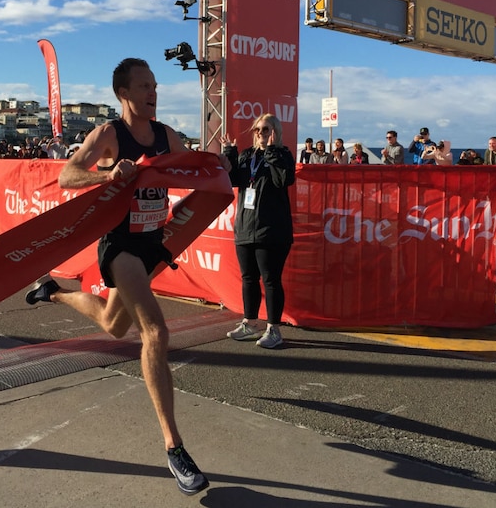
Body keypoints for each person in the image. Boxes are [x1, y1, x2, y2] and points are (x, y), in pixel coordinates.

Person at [23, 58, 218, 495]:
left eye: (155, 85)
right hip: (120, 246)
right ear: (123, 93)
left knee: (114, 326)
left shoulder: (167, 135)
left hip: (153, 243)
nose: (154, 92)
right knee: (156, 333)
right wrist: (107, 174)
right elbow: (67, 174)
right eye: (145, 86)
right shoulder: (110, 134)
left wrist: (222, 170)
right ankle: (174, 447)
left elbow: (198, 167)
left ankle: (52, 292)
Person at [221, 114, 295, 349]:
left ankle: (273, 329)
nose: (260, 134)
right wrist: (231, 153)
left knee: (271, 280)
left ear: (276, 132)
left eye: (265, 130)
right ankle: (250, 322)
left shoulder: (283, 155)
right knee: (248, 278)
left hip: (272, 229)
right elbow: (234, 180)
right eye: (257, 130)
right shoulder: (247, 156)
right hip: (245, 227)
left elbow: (283, 179)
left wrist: (272, 151)